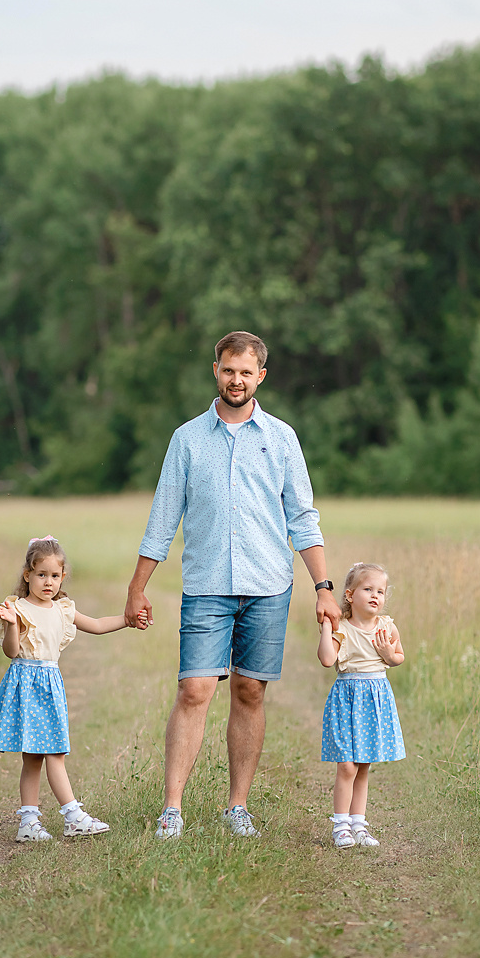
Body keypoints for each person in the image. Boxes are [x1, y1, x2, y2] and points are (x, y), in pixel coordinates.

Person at [124, 330, 342, 840]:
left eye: (246, 372)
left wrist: (324, 586)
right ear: (215, 371)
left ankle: (236, 807)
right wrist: (137, 588)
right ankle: (172, 810)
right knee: (194, 689)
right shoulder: (187, 439)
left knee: (249, 691)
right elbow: (163, 519)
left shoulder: (281, 438)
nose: (236, 380)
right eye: (228, 370)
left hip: (268, 585)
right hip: (207, 585)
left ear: (260, 376)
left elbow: (302, 518)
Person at [0, 534, 147, 842]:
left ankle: (42, 821)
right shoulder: (18, 608)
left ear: (62, 577)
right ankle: (61, 818)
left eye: (55, 575)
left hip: (50, 685)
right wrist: (11, 624)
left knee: (48, 753)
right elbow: (11, 651)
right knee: (42, 755)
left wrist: (127, 620)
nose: (48, 582)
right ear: (27, 575)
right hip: (26, 685)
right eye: (41, 574)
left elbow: (97, 625)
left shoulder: (62, 609)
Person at [318, 561, 406, 849]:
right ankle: (341, 826)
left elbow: (399, 657)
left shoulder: (387, 627)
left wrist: (388, 654)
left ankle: (359, 825)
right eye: (368, 589)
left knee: (363, 765)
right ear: (350, 595)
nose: (375, 596)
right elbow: (327, 659)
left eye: (380, 591)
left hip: (374, 698)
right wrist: (327, 627)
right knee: (347, 765)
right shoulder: (343, 628)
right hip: (347, 699)